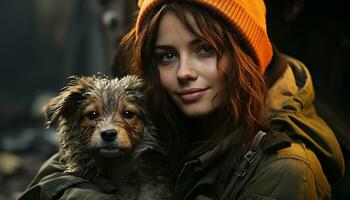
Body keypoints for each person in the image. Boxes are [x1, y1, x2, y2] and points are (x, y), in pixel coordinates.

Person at [20, 0, 345, 199]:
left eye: (205, 50)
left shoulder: (285, 171)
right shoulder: (168, 116)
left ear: (244, 57)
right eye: (167, 56)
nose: (184, 72)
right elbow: (53, 177)